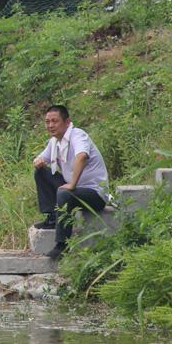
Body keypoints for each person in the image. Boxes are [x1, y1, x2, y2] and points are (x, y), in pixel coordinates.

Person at [33, 105, 109, 260]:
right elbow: (41, 158)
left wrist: (72, 184)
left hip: (94, 194)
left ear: (67, 122)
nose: (50, 125)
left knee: (64, 192)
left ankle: (62, 245)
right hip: (74, 190)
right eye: (47, 122)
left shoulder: (78, 135)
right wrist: (39, 161)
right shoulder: (55, 142)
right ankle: (52, 218)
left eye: (55, 121)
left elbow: (82, 156)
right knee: (41, 172)